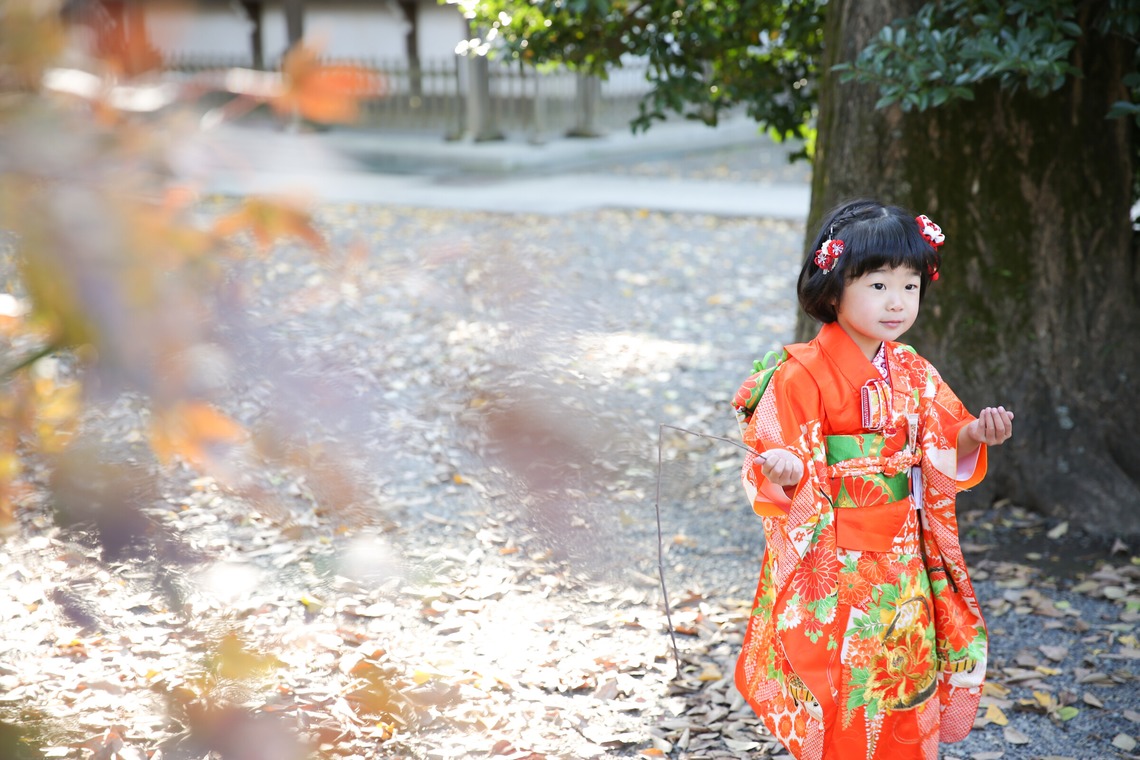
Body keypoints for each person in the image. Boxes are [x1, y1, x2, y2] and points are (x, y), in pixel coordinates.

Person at [730, 199, 1014, 760]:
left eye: (910, 287)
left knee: (903, 674)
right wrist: (785, 470)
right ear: (833, 289)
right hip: (833, 559)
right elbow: (773, 455)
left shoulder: (912, 368)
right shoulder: (798, 373)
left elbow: (939, 441)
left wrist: (973, 436)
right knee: (843, 681)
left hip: (902, 556)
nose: (897, 302)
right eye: (879, 285)